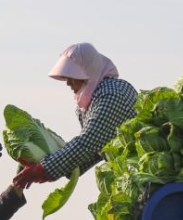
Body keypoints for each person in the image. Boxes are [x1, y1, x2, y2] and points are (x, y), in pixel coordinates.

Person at [13, 43, 137, 189]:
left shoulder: (111, 94)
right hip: (131, 174)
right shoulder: (91, 99)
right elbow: (96, 149)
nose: (67, 83)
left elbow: (89, 142)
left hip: (140, 170)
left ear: (87, 73)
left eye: (72, 76)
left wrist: (43, 169)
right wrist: (45, 161)